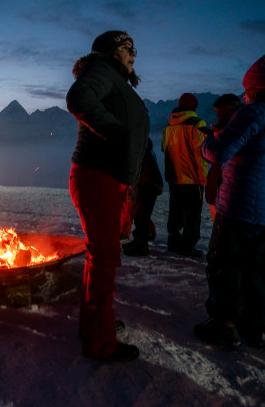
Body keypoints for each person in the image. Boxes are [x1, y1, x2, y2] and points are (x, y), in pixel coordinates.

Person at [195, 52, 265, 348]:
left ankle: (225, 325)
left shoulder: (254, 112)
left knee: (225, 265)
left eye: (247, 89)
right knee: (258, 268)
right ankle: (254, 325)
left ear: (256, 87)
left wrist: (209, 139)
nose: (244, 95)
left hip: (240, 204)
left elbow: (218, 153)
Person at [66, 30, 149, 362]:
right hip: (96, 175)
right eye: (127, 47)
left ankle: (95, 324)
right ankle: (100, 341)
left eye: (134, 47)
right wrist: (116, 132)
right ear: (111, 50)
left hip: (105, 177)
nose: (134, 53)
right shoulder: (101, 70)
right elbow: (79, 98)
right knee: (104, 258)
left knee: (100, 256)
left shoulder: (115, 79)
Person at [161, 93, 208, 256]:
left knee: (175, 211)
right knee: (193, 214)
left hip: (174, 177)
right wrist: (203, 176)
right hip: (192, 178)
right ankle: (187, 246)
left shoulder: (168, 126)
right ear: (194, 107)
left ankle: (173, 242)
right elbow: (201, 153)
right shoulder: (197, 123)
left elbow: (164, 148)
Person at [203, 94, 243, 222]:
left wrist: (208, 139)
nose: (217, 115)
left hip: (227, 190)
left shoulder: (234, 130)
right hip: (220, 187)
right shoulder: (244, 125)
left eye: (218, 111)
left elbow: (214, 155)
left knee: (223, 228)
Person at [123, 138, 164, 257]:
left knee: (141, 214)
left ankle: (141, 245)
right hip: (145, 182)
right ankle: (139, 241)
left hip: (146, 182)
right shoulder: (143, 152)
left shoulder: (140, 152)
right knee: (139, 214)